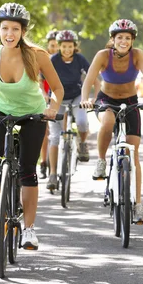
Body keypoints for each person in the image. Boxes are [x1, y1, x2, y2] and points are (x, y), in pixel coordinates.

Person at [0, 2, 64, 250]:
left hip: (33, 114)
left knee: (28, 169)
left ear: (23, 32)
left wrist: (52, 108)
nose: (10, 34)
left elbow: (58, 88)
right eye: (5, 28)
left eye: (15, 29)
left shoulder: (37, 55)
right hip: (0, 110)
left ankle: (28, 230)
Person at [80, 19, 143, 223]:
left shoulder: (137, 55)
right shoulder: (102, 55)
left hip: (130, 102)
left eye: (127, 38)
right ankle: (101, 160)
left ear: (132, 40)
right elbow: (89, 80)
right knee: (107, 121)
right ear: (113, 39)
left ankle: (138, 205)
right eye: (120, 38)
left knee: (133, 155)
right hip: (105, 100)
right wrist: (84, 99)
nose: (124, 41)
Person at [46, 30, 99, 191]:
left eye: (70, 46)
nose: (67, 49)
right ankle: (53, 174)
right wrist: (47, 99)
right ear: (59, 47)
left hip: (77, 97)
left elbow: (95, 80)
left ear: (75, 47)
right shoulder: (53, 60)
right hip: (57, 98)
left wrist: (93, 98)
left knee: (82, 122)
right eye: (64, 46)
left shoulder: (80, 59)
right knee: (54, 137)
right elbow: (43, 79)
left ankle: (82, 144)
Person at [38, 29, 59, 179]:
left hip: (59, 98)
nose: (56, 48)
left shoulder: (64, 58)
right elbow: (39, 80)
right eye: (53, 45)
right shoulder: (44, 58)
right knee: (45, 131)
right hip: (45, 97)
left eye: (58, 45)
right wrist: (44, 95)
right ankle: (44, 161)